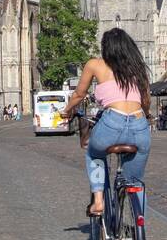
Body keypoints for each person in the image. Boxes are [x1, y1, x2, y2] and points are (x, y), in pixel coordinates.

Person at [61, 28, 151, 218]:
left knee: (93, 152)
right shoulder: (136, 68)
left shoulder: (95, 65)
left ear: (105, 48)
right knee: (135, 182)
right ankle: (139, 226)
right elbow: (146, 101)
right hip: (139, 124)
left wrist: (66, 111)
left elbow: (79, 94)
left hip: (113, 121)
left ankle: (99, 201)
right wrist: (147, 115)